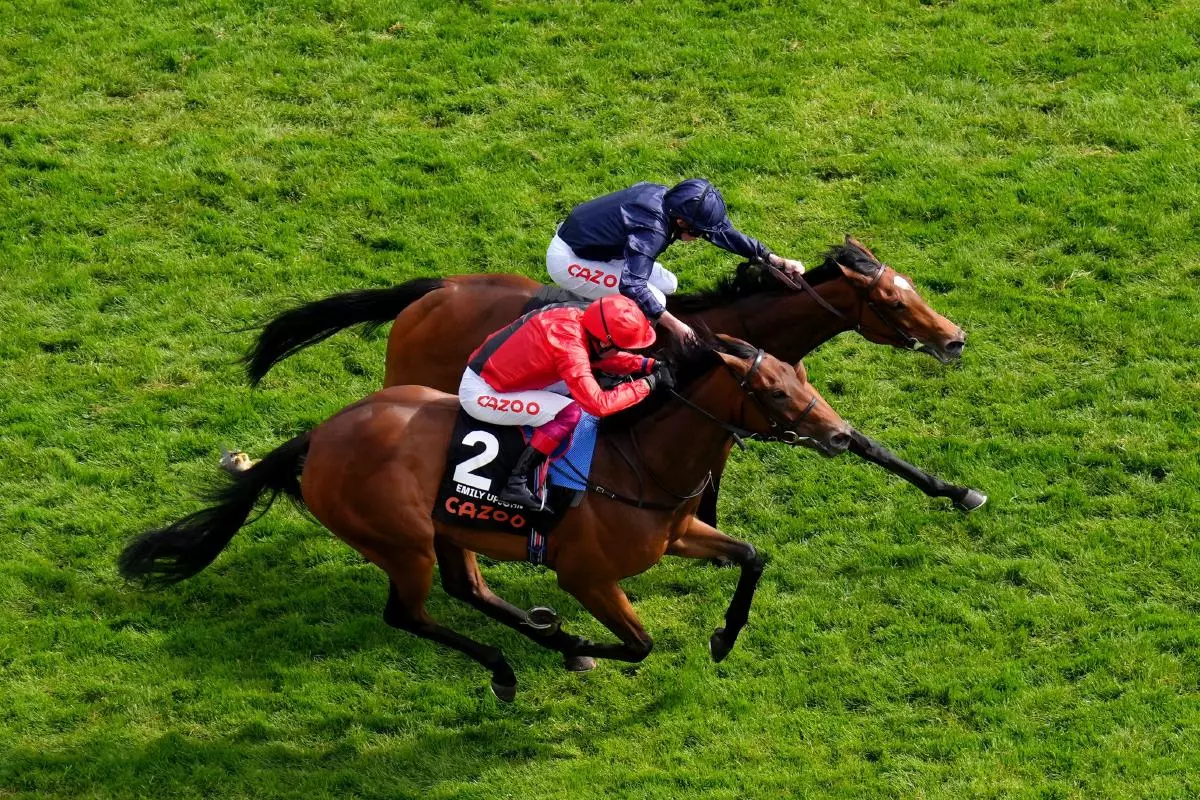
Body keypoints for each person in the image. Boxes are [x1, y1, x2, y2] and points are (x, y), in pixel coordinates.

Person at [458, 294, 672, 511]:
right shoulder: (568, 343)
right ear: (605, 340)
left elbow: (598, 357)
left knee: (573, 390)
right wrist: (648, 384)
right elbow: (599, 404)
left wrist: (647, 365)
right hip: (484, 392)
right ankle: (516, 481)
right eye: (620, 346)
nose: (623, 351)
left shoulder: (583, 320)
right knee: (570, 413)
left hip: (510, 377)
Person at [547, 178, 806, 341]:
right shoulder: (652, 230)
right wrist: (675, 325)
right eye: (698, 231)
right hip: (570, 259)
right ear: (681, 221)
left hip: (600, 249)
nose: (701, 237)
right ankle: (607, 346)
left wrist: (776, 259)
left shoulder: (669, 201)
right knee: (656, 301)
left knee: (668, 284)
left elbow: (725, 234)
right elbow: (632, 285)